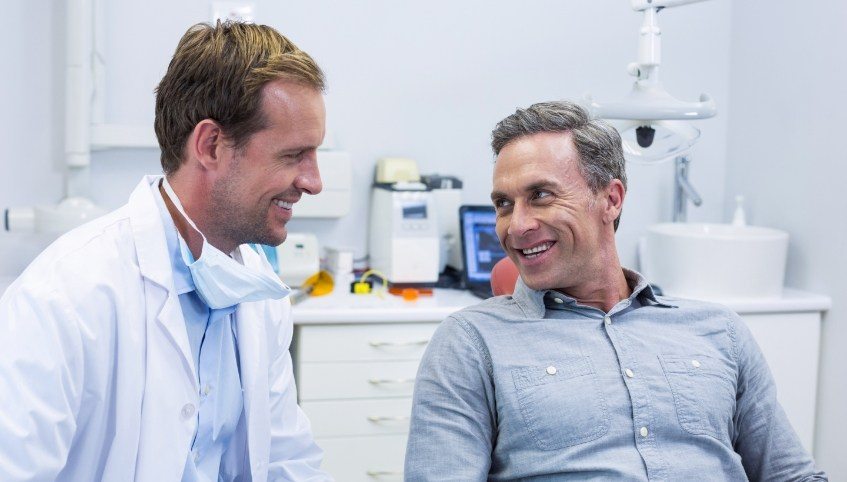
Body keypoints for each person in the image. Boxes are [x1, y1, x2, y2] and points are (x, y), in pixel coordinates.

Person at [404, 100, 827, 481]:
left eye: (541, 195)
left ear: (611, 199)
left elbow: (791, 475)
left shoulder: (718, 330)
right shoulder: (471, 343)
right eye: (503, 204)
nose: (516, 226)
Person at [0, 21, 332, 481]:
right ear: (211, 145)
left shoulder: (257, 294)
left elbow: (286, 459)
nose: (314, 182)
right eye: (293, 155)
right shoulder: (63, 299)